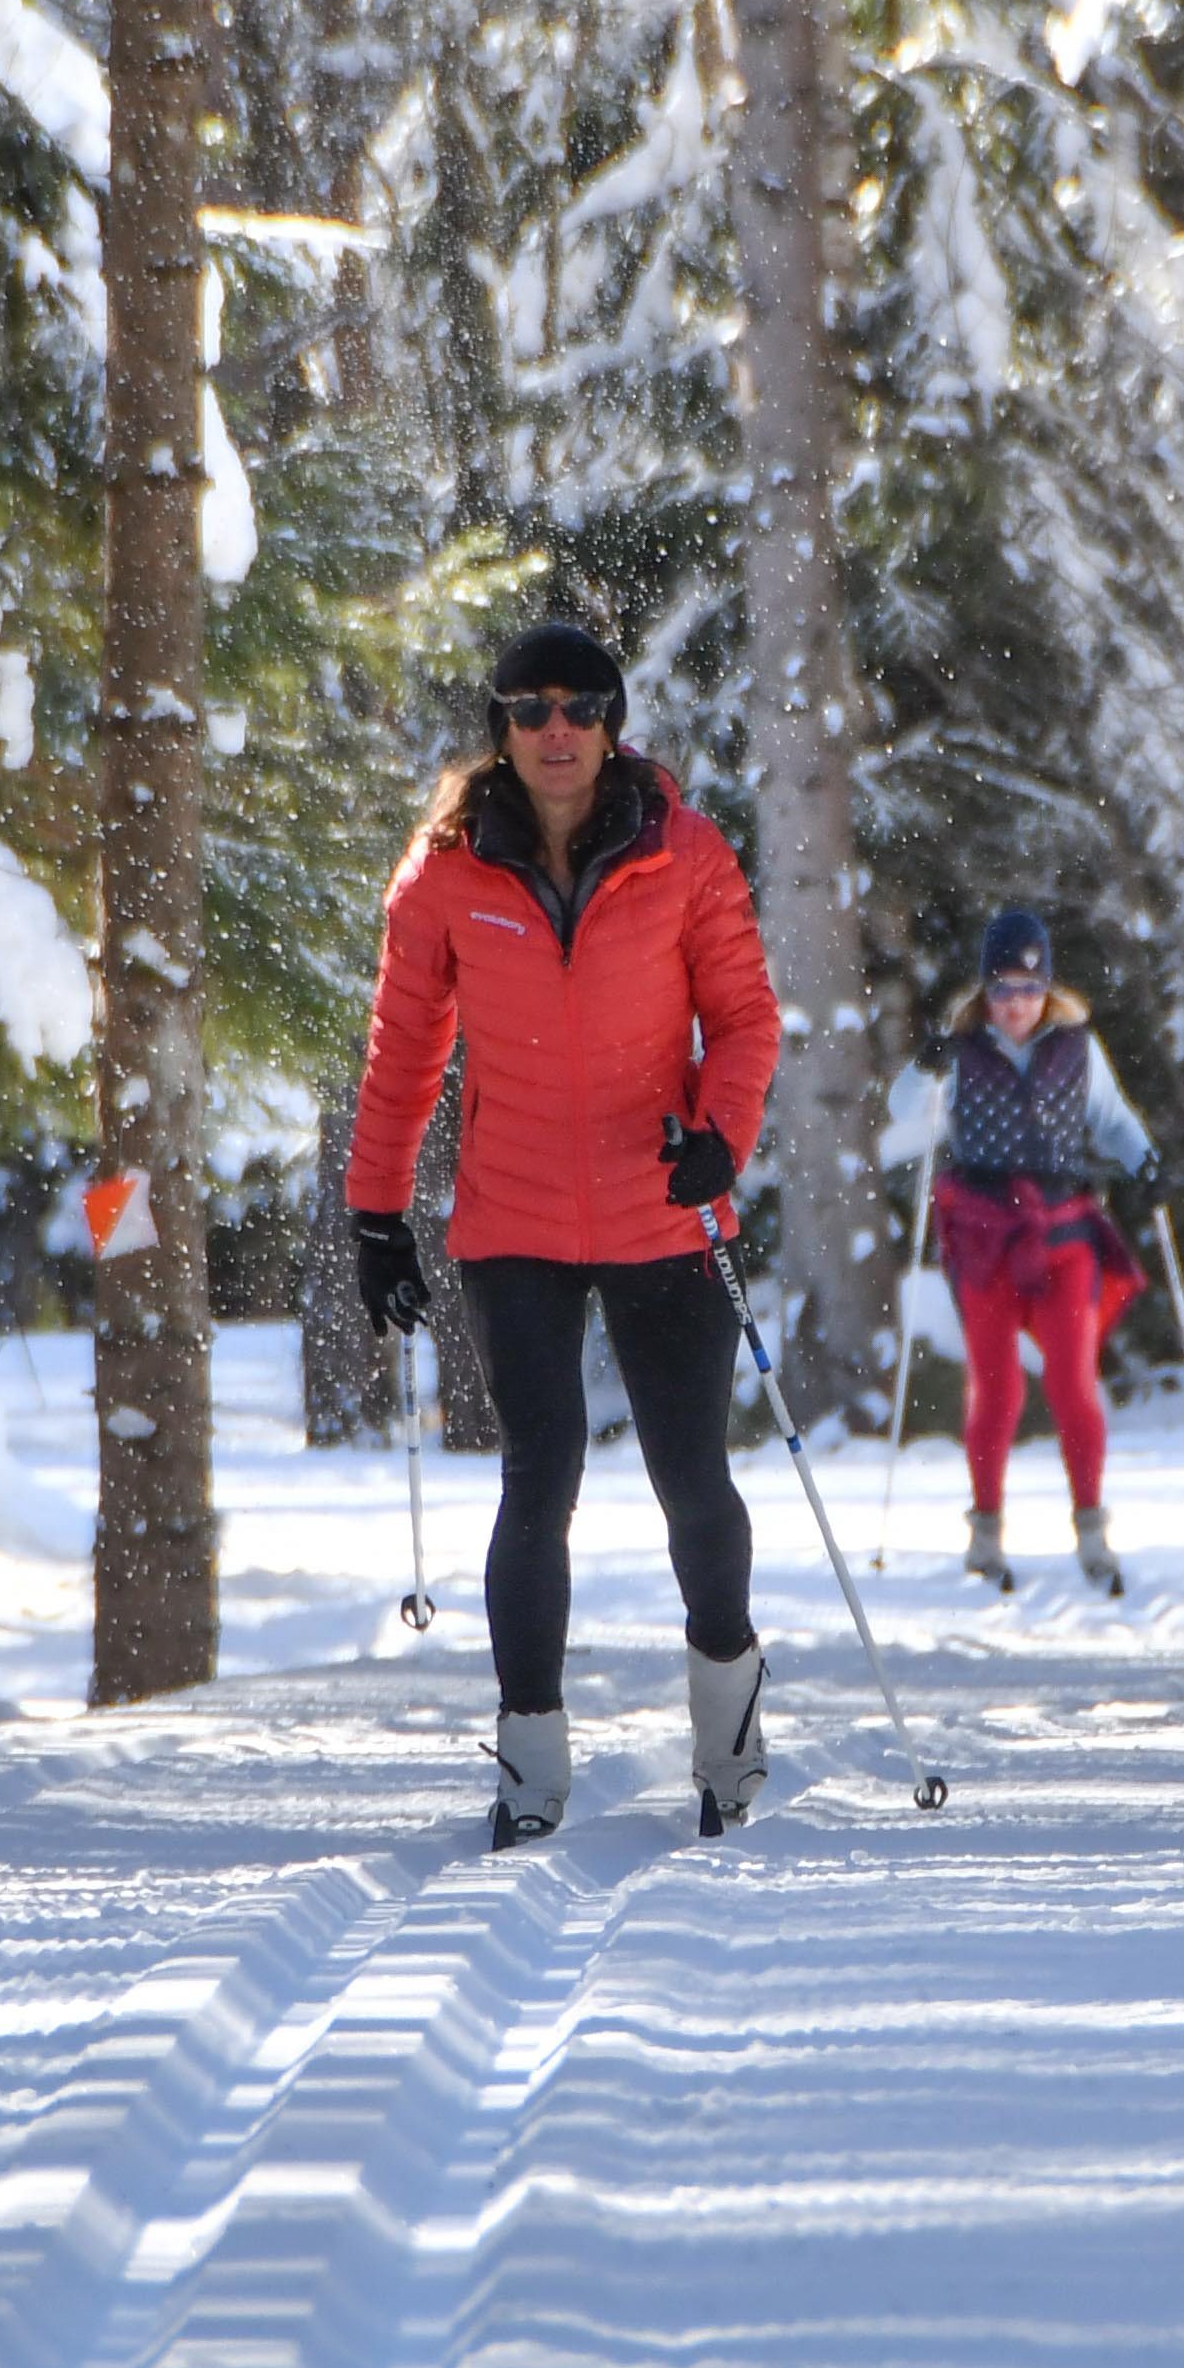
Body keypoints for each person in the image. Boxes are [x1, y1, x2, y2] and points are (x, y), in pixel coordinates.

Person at [343, 622, 788, 1847]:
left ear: (612, 724)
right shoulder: (443, 871)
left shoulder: (683, 852)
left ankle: (728, 1742)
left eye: (580, 708)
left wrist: (721, 1134)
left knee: (690, 1475)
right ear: (500, 726)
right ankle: (530, 1767)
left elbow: (746, 1020)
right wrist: (375, 1212)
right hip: (516, 1218)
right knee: (540, 1477)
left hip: (661, 1206)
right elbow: (403, 1053)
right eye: (531, 707)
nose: (556, 730)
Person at [917, 907, 1161, 1597]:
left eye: (1027, 989)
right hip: (985, 1237)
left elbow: (1110, 1118)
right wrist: (922, 1065)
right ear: (983, 993)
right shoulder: (960, 1051)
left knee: (1071, 1381)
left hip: (1063, 1233)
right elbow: (909, 1112)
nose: (1015, 1004)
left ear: (1047, 989)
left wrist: (1145, 1160)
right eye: (1001, 989)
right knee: (996, 1388)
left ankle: (1090, 1526)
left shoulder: (1077, 1045)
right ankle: (985, 1531)